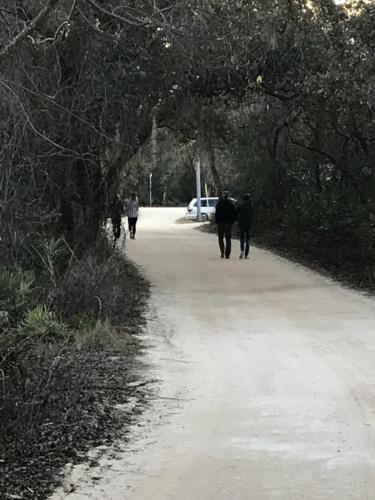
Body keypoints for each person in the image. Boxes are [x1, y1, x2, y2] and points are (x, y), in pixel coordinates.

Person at [215, 191, 237, 259]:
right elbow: (234, 214)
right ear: (228, 196)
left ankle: (222, 252)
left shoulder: (219, 203)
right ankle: (227, 254)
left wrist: (217, 221)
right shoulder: (231, 204)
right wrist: (232, 222)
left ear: (223, 195)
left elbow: (216, 213)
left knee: (220, 238)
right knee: (228, 239)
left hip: (221, 223)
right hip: (228, 224)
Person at [237, 193, 254, 260]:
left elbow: (237, 212)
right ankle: (246, 255)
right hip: (248, 225)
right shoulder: (251, 207)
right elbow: (252, 215)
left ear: (243, 199)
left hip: (241, 225)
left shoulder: (241, 206)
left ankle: (242, 251)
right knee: (247, 240)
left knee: (241, 238)